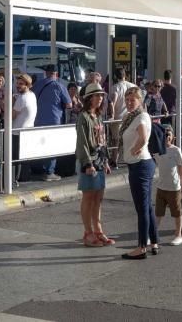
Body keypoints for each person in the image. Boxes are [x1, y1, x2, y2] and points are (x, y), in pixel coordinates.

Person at [120, 87, 158, 259]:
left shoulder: (141, 117)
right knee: (147, 206)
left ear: (140, 100)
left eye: (132, 100)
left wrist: (136, 148)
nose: (128, 103)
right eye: (127, 100)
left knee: (142, 208)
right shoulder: (133, 116)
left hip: (140, 164)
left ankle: (142, 247)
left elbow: (143, 137)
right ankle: (153, 242)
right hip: (140, 164)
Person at [75, 82, 114, 247]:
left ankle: (98, 230)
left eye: (101, 95)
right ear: (89, 98)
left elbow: (103, 140)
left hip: (99, 160)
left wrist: (105, 160)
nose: (100, 98)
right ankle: (88, 232)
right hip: (89, 161)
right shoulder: (83, 117)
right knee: (88, 197)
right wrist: (87, 163)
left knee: (98, 198)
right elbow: (82, 142)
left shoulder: (98, 116)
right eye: (97, 95)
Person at [33, 65, 73, 181]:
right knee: (52, 146)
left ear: (46, 73)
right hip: (54, 120)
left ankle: (39, 169)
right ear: (56, 74)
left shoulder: (37, 85)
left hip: (38, 120)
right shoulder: (60, 86)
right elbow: (69, 105)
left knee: (40, 145)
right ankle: (49, 172)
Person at [154, 125, 182, 246]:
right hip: (161, 187)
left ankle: (178, 235)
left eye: (169, 135)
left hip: (174, 188)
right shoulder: (157, 150)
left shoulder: (176, 150)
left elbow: (181, 168)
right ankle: (153, 235)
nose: (166, 137)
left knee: (177, 212)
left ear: (173, 137)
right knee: (158, 213)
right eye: (164, 134)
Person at [11, 74, 37, 183]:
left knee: (15, 158)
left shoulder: (21, 98)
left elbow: (11, 116)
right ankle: (24, 177)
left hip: (18, 132)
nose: (18, 86)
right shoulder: (32, 95)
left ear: (28, 85)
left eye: (21, 84)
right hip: (28, 130)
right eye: (17, 83)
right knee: (25, 157)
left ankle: (14, 179)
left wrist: (7, 104)